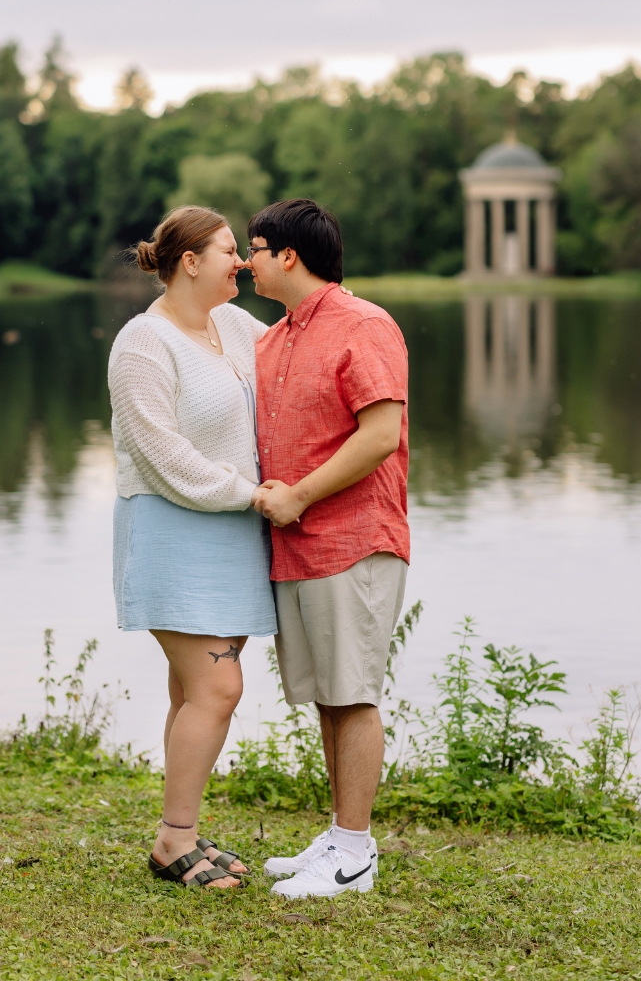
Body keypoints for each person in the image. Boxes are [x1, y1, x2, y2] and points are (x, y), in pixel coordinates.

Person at [108, 205, 275, 890]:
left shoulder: (233, 325)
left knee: (193, 688)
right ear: (190, 261)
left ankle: (182, 827)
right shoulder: (142, 343)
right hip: (173, 527)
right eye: (229, 249)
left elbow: (304, 348)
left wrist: (338, 304)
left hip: (233, 529)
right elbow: (161, 453)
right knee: (218, 683)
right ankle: (172, 842)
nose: (240, 261)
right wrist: (254, 494)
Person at [248, 198, 409, 899]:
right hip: (295, 548)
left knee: (353, 694)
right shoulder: (272, 338)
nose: (246, 261)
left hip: (352, 538)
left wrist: (300, 497)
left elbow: (379, 436)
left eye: (254, 248)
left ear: (288, 255)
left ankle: (354, 854)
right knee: (326, 698)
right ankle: (341, 834)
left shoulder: (363, 324)